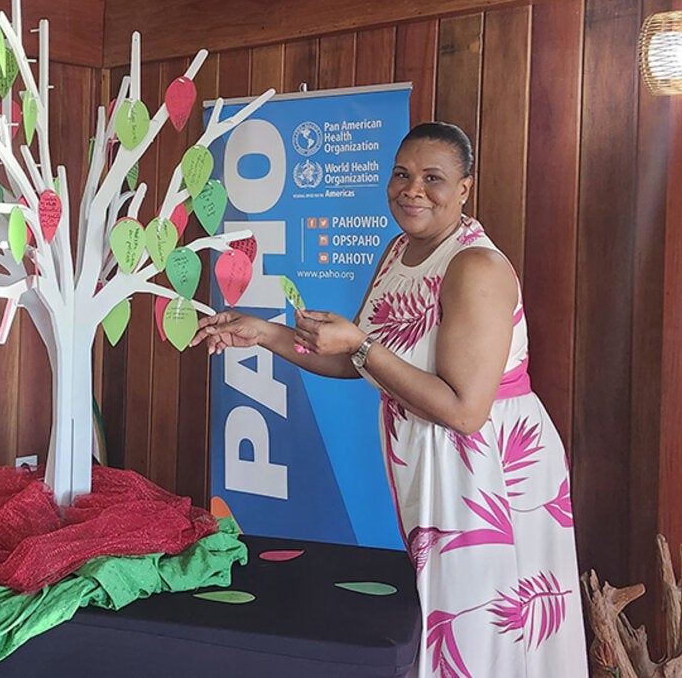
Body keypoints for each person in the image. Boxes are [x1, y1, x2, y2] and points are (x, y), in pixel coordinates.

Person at [193, 122, 587, 677]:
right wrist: (263, 333)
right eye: (402, 174)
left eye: (433, 178)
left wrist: (361, 344)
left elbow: (464, 411)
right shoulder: (400, 250)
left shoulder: (474, 266)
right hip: (431, 457)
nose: (412, 190)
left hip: (486, 469)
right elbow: (357, 359)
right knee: (447, 617)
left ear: (465, 189)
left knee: (481, 627)